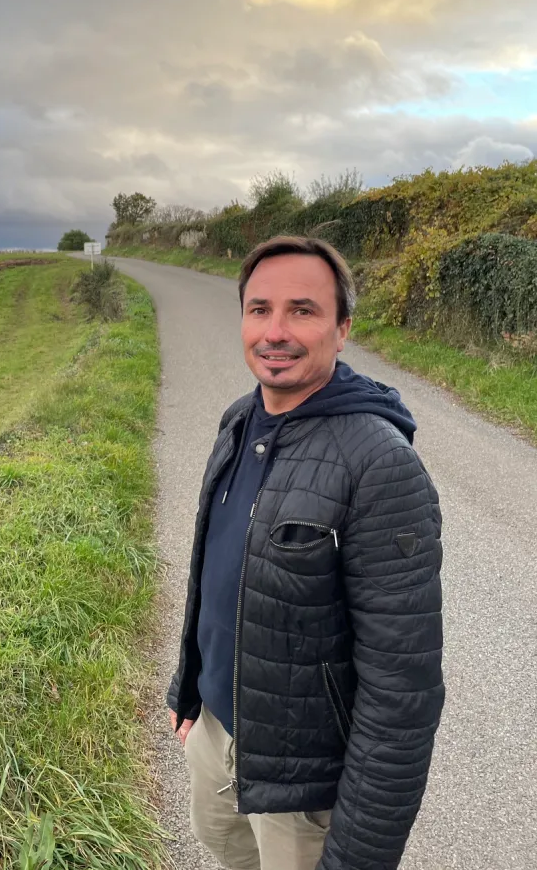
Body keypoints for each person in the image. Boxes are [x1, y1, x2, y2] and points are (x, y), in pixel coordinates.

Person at [167, 236, 444, 870]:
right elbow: (217, 574)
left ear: (342, 329)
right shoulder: (240, 421)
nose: (276, 331)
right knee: (226, 852)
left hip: (306, 787)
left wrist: (358, 855)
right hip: (218, 736)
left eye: (303, 310)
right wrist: (193, 692)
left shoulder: (380, 465)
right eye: (259, 309)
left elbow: (403, 690)